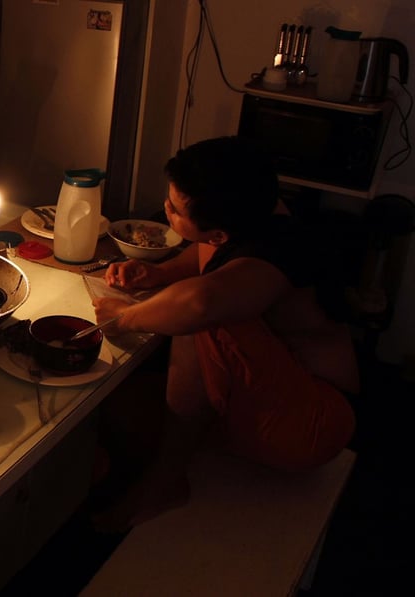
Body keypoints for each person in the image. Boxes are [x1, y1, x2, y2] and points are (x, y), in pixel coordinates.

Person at [91, 136, 357, 528]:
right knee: (122, 412)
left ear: (216, 232)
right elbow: (212, 255)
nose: (165, 211)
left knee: (197, 318)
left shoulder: (269, 258)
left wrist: (124, 317)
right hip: (263, 392)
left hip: (312, 421)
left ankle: (165, 484)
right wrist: (160, 273)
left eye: (175, 211)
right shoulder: (252, 210)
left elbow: (199, 304)